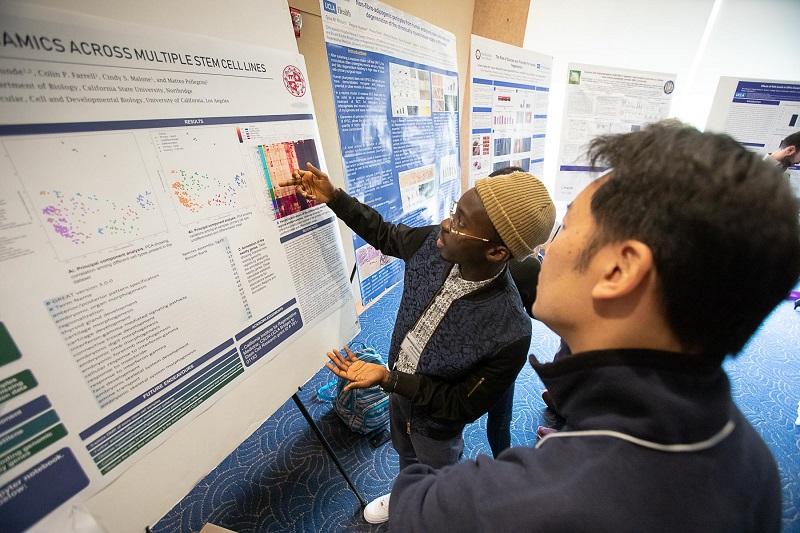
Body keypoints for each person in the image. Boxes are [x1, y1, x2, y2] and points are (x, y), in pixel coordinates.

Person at [388, 121, 799, 532]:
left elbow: (414, 504)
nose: (545, 249)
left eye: (565, 228)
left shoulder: (502, 504)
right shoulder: (755, 463)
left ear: (619, 270)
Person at [281, 164, 555, 524]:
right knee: (404, 456)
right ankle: (404, 496)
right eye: (454, 209)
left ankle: (432, 512)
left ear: (497, 253)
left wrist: (389, 380)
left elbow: (459, 405)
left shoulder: (510, 332)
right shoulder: (432, 245)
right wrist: (334, 196)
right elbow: (384, 233)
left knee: (436, 472)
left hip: (435, 421)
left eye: (460, 222)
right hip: (397, 390)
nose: (446, 223)